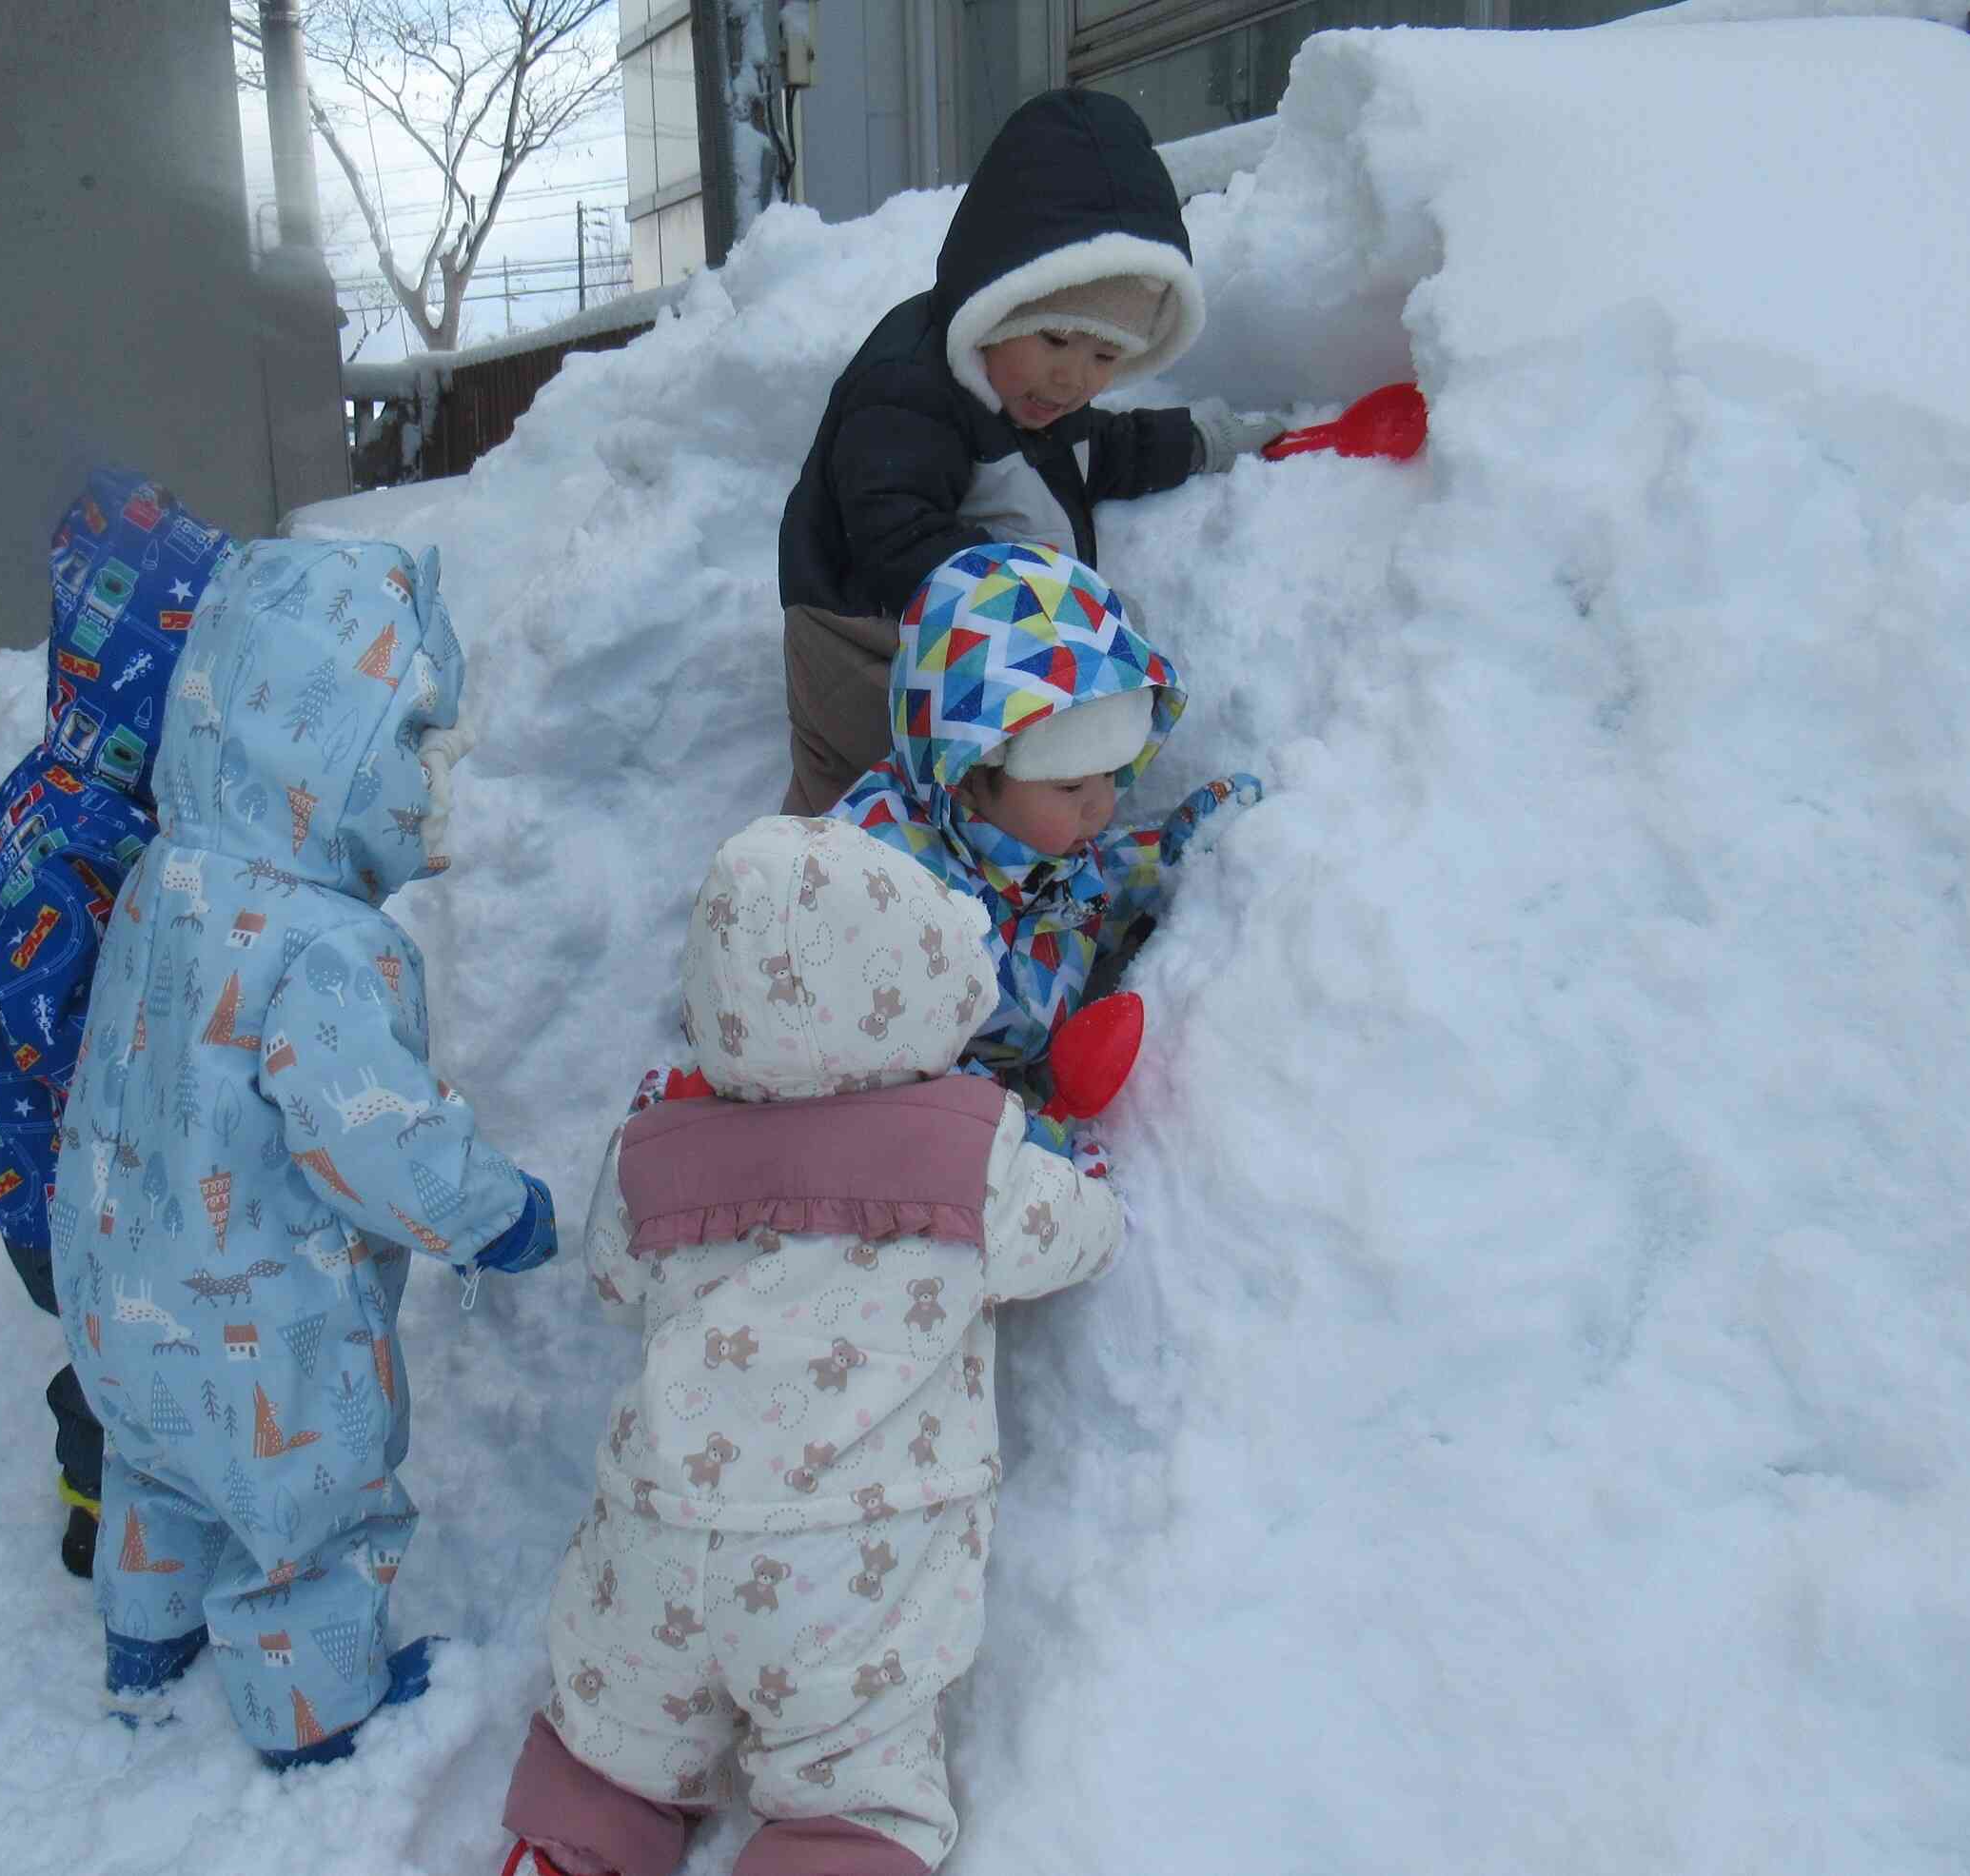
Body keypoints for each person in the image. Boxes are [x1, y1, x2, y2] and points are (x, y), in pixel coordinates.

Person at [496, 814, 1125, 1876]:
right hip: (844, 1576)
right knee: (852, 1787)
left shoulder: (655, 1153)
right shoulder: (967, 1154)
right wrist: (1082, 1152)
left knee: (614, 1743)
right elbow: (1079, 1236)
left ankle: (572, 1850)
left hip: (654, 1540)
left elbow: (612, 1277)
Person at [49, 536, 559, 1767]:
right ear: (312, 752)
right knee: (309, 1505)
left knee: (160, 1468)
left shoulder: (166, 876)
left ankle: (146, 1641)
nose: (428, 780)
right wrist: (492, 1209)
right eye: (407, 747)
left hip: (115, 1299)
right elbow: (370, 1129)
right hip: (258, 1322)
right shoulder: (332, 942)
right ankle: (315, 1706)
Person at [777, 86, 1284, 816]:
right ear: (995, 299)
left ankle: (1012, 891)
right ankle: (800, 910)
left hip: (971, 641)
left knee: (986, 801)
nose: (1073, 376)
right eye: (1053, 337)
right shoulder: (908, 388)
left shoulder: (1039, 394)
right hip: (861, 643)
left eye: (1106, 355)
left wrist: (1205, 441)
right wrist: (1049, 608)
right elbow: (894, 534)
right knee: (870, 812)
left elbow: (1105, 451)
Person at [0, 468, 235, 1578]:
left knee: (138, 1323)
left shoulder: (110, 791)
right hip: (58, 1172)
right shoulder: (66, 834)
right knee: (120, 1337)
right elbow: (55, 1033)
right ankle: (100, 1499)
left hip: (88, 1162)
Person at [833, 542, 1260, 1090]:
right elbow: (905, 1087)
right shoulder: (891, 902)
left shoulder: (1028, 835)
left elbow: (1079, 894)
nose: (1102, 805)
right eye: (1071, 785)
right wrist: (1024, 1141)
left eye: (1111, 774)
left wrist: (1168, 855)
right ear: (966, 775)